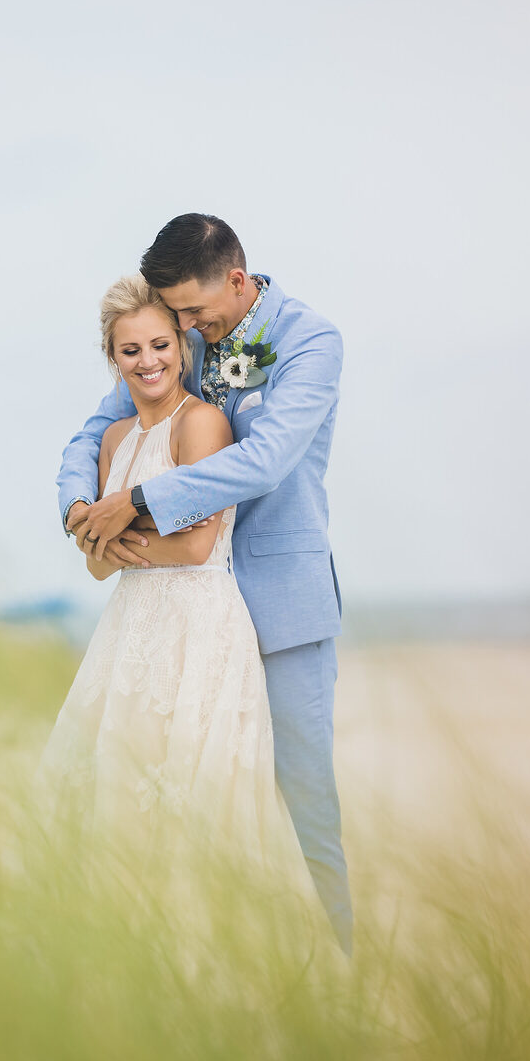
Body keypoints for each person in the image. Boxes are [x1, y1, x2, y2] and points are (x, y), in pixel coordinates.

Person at [55, 214, 354, 956]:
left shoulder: (310, 343)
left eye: (193, 313)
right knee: (186, 791)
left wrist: (144, 503)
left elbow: (269, 460)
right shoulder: (182, 338)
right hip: (184, 619)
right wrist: (77, 510)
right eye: (176, 316)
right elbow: (91, 436)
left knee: (302, 800)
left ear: (238, 281)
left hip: (278, 602)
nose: (185, 330)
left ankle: (338, 975)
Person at [39, 275, 302, 896]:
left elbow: (198, 544)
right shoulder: (112, 440)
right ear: (114, 358)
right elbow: (94, 564)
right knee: (118, 793)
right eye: (131, 351)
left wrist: (121, 540)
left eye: (160, 345)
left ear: (182, 348)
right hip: (130, 632)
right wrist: (114, 543)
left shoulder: (203, 424)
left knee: (188, 794)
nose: (148, 362)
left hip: (198, 625)